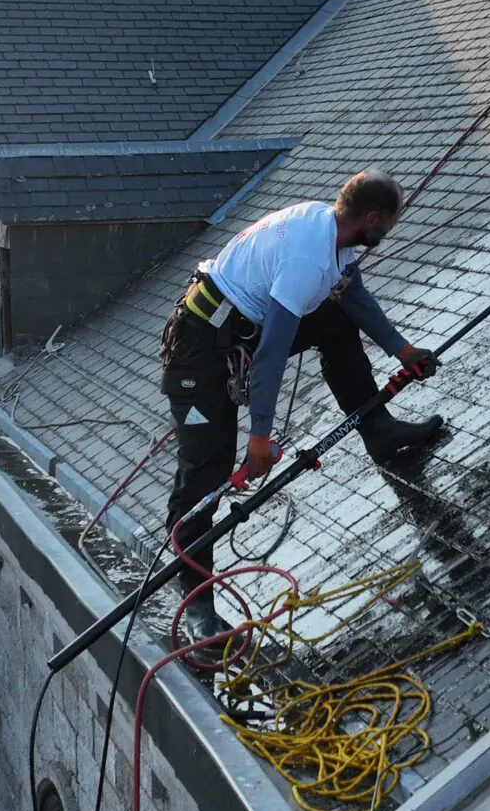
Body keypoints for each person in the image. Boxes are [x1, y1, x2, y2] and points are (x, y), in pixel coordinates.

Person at [159, 171, 443, 626]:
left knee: (336, 320)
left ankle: (379, 430)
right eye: (391, 220)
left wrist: (402, 350)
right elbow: (271, 355)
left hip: (236, 332)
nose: (391, 229)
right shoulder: (307, 258)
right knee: (205, 474)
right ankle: (197, 604)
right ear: (372, 217)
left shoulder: (333, 232)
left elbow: (353, 297)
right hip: (198, 353)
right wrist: (260, 436)